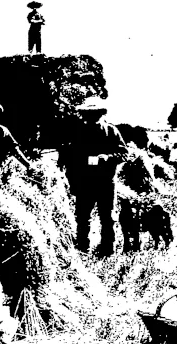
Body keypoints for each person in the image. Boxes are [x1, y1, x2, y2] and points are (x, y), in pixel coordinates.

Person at [58, 96, 128, 257]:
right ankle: (83, 249)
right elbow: (66, 155)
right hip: (84, 182)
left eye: (95, 113)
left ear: (101, 113)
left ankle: (107, 250)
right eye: (88, 114)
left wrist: (108, 158)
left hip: (105, 182)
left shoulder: (111, 131)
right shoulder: (76, 132)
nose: (91, 117)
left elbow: (124, 153)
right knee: (82, 218)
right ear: (83, 115)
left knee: (107, 217)